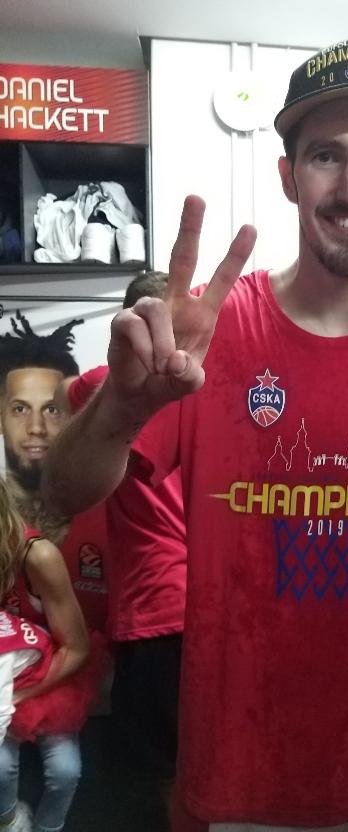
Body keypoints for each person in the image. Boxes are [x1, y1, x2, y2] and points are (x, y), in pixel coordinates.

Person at [43, 39, 348, 832]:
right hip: (236, 768)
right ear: (288, 176)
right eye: (326, 156)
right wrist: (122, 410)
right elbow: (60, 491)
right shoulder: (209, 333)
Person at [55, 270, 186, 818]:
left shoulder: (106, 390)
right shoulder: (189, 388)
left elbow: (73, 388)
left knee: (164, 774)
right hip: (196, 607)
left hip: (161, 607)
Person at [0, 313, 108, 635]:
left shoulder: (111, 509)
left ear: (74, 413)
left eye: (52, 409)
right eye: (20, 409)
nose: (36, 428)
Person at [0, 476, 90, 832]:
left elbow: (77, 649)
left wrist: (20, 694)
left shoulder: (38, 556)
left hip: (50, 673)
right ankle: (10, 820)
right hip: (6, 675)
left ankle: (48, 828)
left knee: (66, 770)